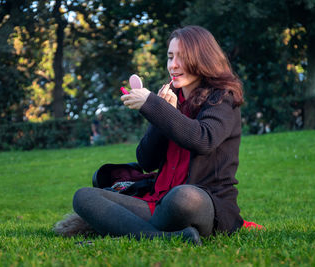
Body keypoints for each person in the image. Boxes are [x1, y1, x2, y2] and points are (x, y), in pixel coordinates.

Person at [64, 25, 261, 245]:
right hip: (158, 202)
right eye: (170, 57)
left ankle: (125, 230)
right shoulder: (169, 98)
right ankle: (166, 237)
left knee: (182, 198)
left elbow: (203, 140)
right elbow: (146, 161)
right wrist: (161, 115)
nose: (173, 65)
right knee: (84, 196)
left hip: (204, 204)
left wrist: (154, 106)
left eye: (182, 57)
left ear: (203, 59)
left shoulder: (222, 99)